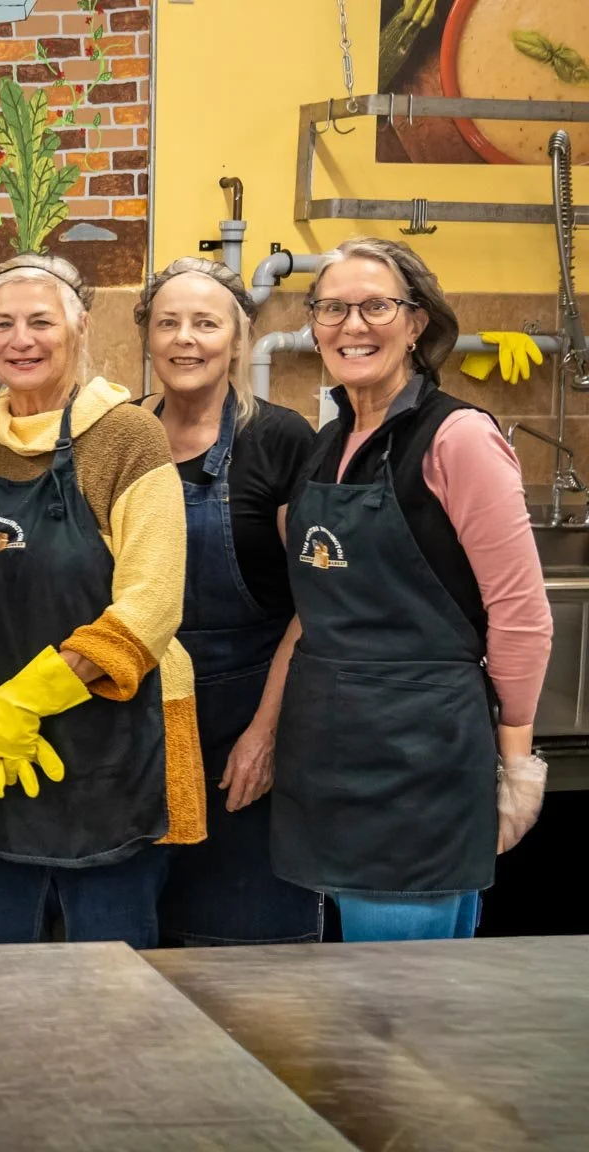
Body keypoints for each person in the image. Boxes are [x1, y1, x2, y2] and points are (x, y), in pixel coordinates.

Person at [271, 237, 552, 942]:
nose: (352, 325)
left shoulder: (457, 438)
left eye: (376, 306)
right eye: (332, 308)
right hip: (332, 748)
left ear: (417, 322)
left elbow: (520, 614)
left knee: (400, 1014)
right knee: (362, 1010)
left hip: (419, 758)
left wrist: (517, 762)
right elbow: (316, 609)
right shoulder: (329, 442)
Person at [0, 254, 203, 948]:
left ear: (79, 327)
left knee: (113, 972)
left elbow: (152, 603)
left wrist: (29, 697)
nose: (22, 340)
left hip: (112, 742)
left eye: (41, 321)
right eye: (3, 324)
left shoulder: (130, 437)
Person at [135, 259, 324, 946]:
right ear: (147, 339)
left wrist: (267, 734)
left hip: (245, 730)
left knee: (248, 964)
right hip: (141, 731)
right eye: (169, 323)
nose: (186, 339)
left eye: (206, 323)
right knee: (137, 956)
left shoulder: (279, 440)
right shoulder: (119, 437)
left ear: (239, 339)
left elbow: (316, 604)